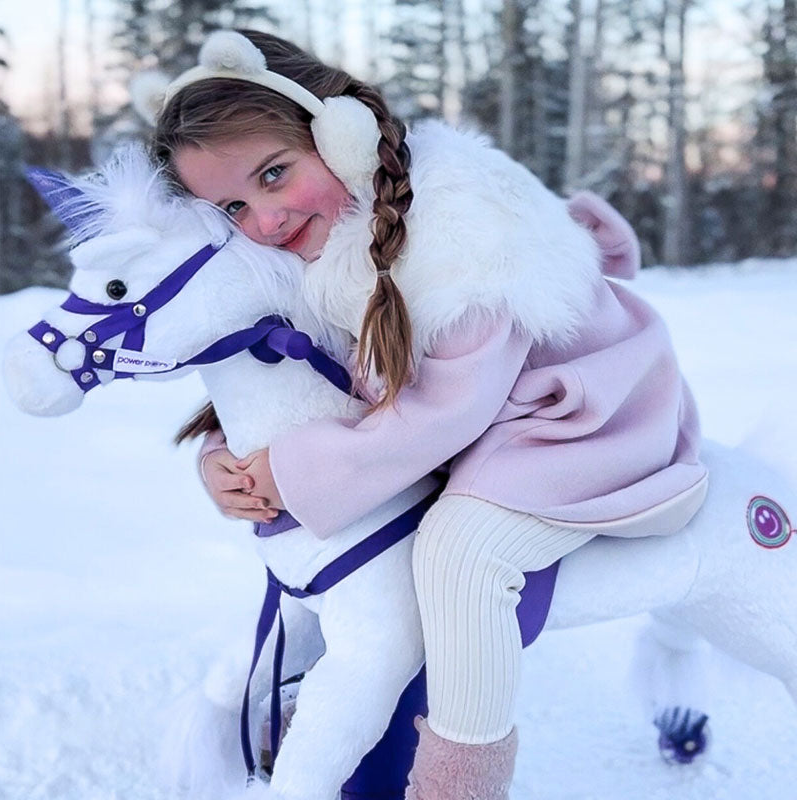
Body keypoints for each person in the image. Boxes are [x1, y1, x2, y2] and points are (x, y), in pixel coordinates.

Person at [150, 28, 708, 799]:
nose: (266, 219)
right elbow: (305, 373)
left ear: (338, 134)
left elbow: (446, 410)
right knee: (341, 554)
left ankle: (457, 778)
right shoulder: (314, 242)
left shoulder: (463, 234)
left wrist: (297, 470)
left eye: (275, 174)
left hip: (572, 416)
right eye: (234, 206)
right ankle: (322, 699)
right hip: (464, 424)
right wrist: (233, 457)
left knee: (459, 553)